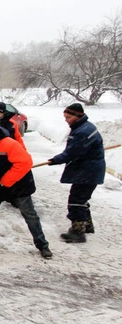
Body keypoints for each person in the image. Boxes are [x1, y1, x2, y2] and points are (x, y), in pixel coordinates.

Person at [0, 121, 52, 259]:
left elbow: (25, 162)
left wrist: (7, 180)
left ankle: (42, 245)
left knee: (29, 215)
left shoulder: (9, 144)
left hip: (18, 185)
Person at [47, 103, 105, 243]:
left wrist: (56, 160)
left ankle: (78, 232)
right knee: (81, 198)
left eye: (68, 117)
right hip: (90, 168)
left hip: (88, 170)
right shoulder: (84, 127)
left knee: (76, 200)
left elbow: (73, 152)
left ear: (77, 116)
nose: (66, 120)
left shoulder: (82, 132)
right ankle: (87, 226)